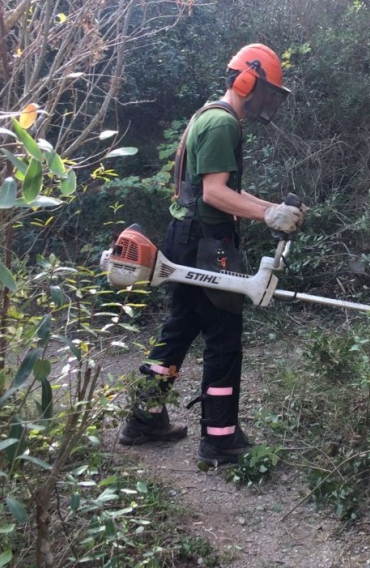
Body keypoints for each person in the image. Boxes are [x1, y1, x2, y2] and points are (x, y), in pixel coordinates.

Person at [118, 43, 306, 466]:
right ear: (246, 81)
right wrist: (268, 214)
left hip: (185, 236)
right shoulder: (224, 124)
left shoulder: (207, 114)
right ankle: (220, 439)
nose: (267, 100)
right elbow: (215, 193)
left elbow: (223, 190)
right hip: (208, 244)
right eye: (267, 90)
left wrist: (271, 210)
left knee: (180, 327)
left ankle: (144, 418)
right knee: (223, 339)